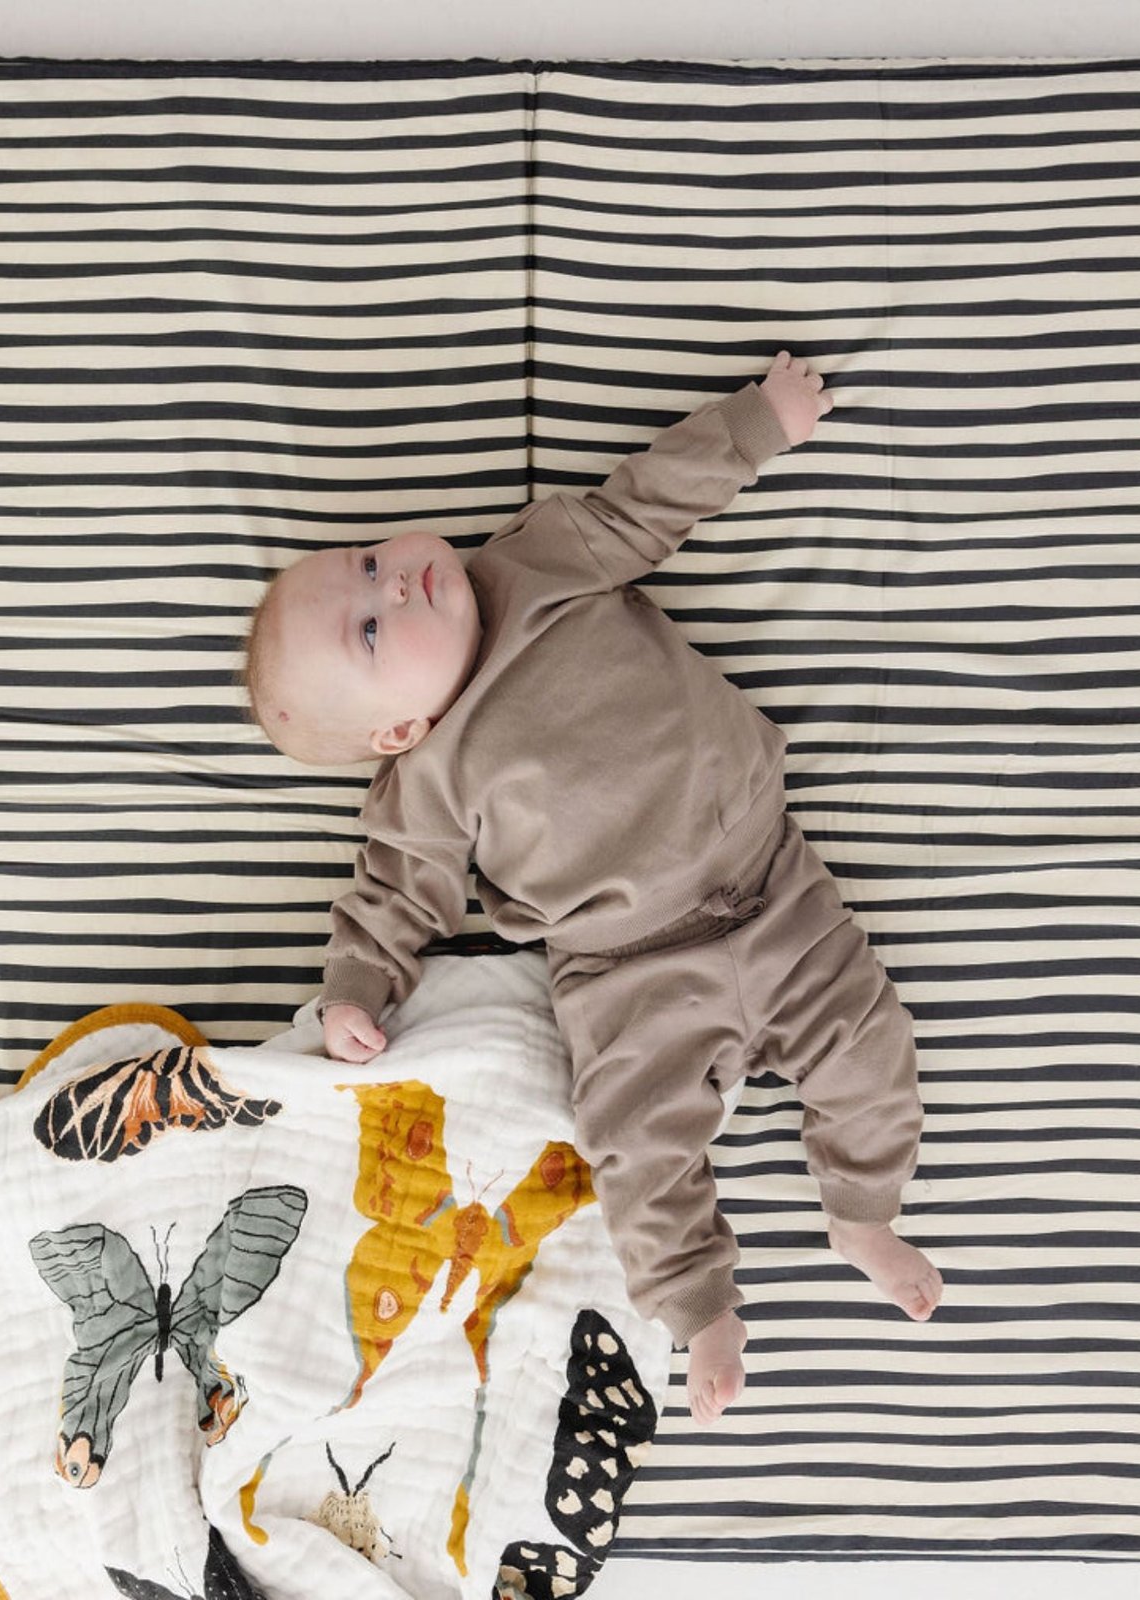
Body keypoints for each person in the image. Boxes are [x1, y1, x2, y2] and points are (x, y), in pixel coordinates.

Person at [243, 353, 943, 1427]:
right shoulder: (423, 784)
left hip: (773, 880)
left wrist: (756, 425)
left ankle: (861, 1210)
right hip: (626, 971)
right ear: (397, 731)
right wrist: (353, 992)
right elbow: (390, 894)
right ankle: (699, 1306)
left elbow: (647, 500)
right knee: (633, 1144)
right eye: (372, 628)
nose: (395, 582)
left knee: (868, 1044)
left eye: (370, 560)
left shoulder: (537, 562)